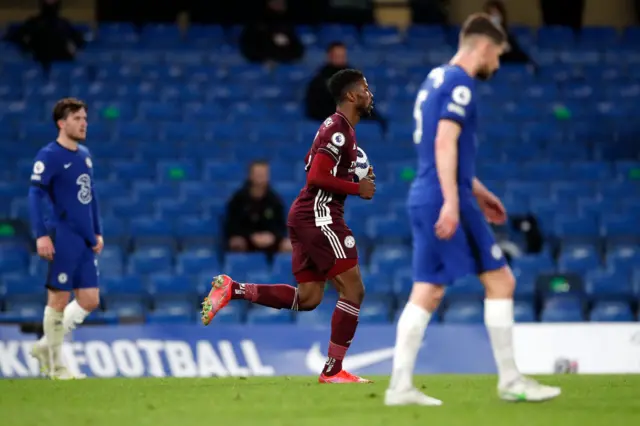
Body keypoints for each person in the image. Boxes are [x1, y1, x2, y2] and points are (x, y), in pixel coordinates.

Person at [385, 14, 561, 406]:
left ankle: (399, 386)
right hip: (445, 198)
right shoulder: (461, 84)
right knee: (500, 283)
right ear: (483, 47)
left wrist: (477, 191)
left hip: (429, 192)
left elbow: (437, 148)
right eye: (497, 55)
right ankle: (510, 380)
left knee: (428, 290)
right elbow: (445, 142)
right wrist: (454, 199)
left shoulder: (435, 79)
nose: (497, 64)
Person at [201, 69, 377, 384]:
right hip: (319, 215)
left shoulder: (338, 129)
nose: (369, 93)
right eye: (365, 88)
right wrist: (356, 188)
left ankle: (234, 288)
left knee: (309, 298)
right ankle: (333, 370)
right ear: (351, 95)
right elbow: (317, 178)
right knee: (353, 289)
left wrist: (354, 175)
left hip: (305, 214)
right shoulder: (338, 130)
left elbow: (323, 170)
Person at [28, 98, 103, 379]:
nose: (84, 123)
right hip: (63, 234)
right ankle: (57, 366)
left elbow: (90, 195)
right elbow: (34, 194)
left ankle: (45, 346)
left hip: (84, 238)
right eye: (77, 118)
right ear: (62, 123)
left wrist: (97, 230)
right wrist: (41, 235)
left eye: (85, 118)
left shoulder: (84, 154)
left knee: (90, 299)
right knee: (58, 299)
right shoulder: (49, 155)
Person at [305, 42, 388, 134]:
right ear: (329, 56)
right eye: (337, 56)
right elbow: (314, 108)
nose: (340, 59)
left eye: (342, 56)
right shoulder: (319, 81)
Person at [225, 160, 291, 254]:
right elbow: (232, 227)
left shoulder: (275, 200)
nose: (261, 177)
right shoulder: (238, 199)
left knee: (289, 246)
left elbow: (281, 227)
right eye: (258, 174)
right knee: (236, 243)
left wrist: (272, 236)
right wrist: (251, 236)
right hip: (246, 239)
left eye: (264, 174)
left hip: (270, 240)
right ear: (250, 175)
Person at [3, 0, 86, 72]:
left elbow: (79, 41)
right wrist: (27, 47)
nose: (50, 2)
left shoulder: (64, 24)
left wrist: (72, 48)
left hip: (61, 65)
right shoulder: (33, 23)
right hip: (36, 62)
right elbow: (16, 36)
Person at [239, 0, 304, 64]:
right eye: (276, 2)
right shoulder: (258, 21)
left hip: (284, 60)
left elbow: (296, 47)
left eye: (282, 2)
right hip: (259, 59)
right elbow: (250, 45)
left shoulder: (286, 21)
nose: (281, 4)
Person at [482, 0, 535, 66]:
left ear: (502, 16)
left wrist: (507, 50)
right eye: (490, 14)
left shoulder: (508, 36)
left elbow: (519, 56)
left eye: (496, 14)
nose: (494, 17)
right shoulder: (481, 36)